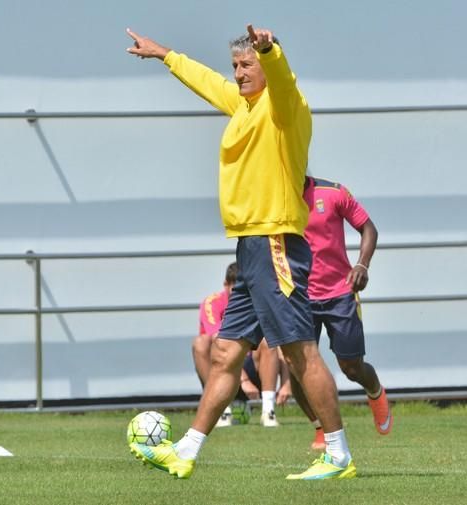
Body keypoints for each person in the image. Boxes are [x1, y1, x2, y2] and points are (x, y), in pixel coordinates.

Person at [126, 24, 355, 480]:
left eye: (246, 65)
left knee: (298, 352)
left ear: (265, 67)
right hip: (250, 246)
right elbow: (208, 81)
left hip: (276, 242)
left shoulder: (284, 108)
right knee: (225, 352)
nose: (238, 73)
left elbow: (284, 81)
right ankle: (186, 451)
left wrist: (269, 50)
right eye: (236, 65)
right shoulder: (245, 106)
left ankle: (337, 454)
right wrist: (164, 54)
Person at [291, 176, 392, 451]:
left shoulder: (333, 193)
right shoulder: (273, 199)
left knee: (351, 367)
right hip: (298, 295)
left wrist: (362, 264)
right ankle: (322, 427)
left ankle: (375, 392)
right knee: (296, 367)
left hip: (340, 293)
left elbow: (368, 228)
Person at [195, 262, 290, 428]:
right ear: (226, 285)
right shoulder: (212, 303)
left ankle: (268, 411)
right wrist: (243, 380)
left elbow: (283, 344)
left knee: (267, 341)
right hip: (224, 371)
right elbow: (219, 345)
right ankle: (221, 409)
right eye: (236, 287)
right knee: (201, 343)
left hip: (257, 372)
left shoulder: (263, 301)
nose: (241, 291)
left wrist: (287, 383)